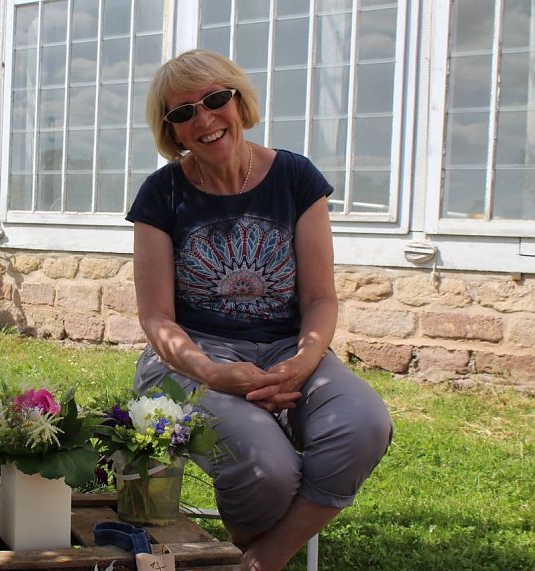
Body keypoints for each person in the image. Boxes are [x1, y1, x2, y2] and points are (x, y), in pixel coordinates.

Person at [126, 49, 392, 571]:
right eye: (183, 113)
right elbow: (156, 317)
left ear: (238, 100)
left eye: (214, 100)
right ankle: (259, 547)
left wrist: (303, 361)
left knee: (363, 425)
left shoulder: (295, 177)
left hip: (287, 351)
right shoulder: (162, 193)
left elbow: (320, 298)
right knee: (265, 467)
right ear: (172, 130)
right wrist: (214, 374)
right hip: (187, 362)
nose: (203, 119)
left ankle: (260, 558)